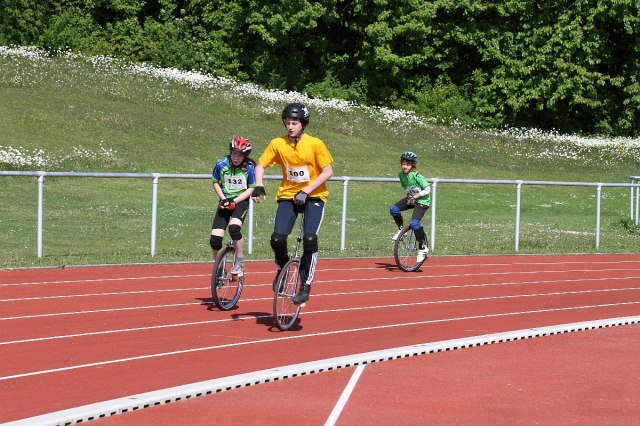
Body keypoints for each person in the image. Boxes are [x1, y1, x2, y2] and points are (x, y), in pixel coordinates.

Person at [251, 102, 334, 305]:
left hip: (314, 196)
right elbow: (260, 165)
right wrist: (259, 185)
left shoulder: (315, 144)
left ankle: (305, 284)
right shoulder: (278, 143)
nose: (290, 126)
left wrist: (306, 190)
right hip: (288, 195)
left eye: (295, 123)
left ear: (303, 124)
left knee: (310, 239)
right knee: (277, 239)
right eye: (288, 122)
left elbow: (328, 172)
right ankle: (283, 268)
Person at [209, 136, 257, 276]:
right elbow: (215, 182)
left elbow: (251, 188)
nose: (236, 157)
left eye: (240, 155)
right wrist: (224, 199)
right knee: (215, 239)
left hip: (240, 201)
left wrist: (234, 201)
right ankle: (220, 268)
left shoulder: (249, 168)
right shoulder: (221, 164)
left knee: (234, 228)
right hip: (225, 201)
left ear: (245, 156)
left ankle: (239, 262)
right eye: (234, 153)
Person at [390, 151, 431, 262]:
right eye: (403, 164)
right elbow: (406, 188)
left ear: (412, 165)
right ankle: (401, 230)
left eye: (408, 164)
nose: (405, 166)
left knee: (414, 223)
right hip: (412, 199)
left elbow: (428, 189)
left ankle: (422, 247)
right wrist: (409, 197)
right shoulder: (401, 175)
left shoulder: (417, 176)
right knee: (394, 209)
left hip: (422, 201)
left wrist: (416, 196)